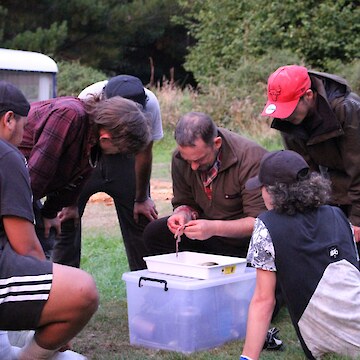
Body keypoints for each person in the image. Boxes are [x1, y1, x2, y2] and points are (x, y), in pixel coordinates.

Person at [0, 81, 99, 359]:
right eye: (25, 123)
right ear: (9, 119)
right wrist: (53, 311)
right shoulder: (8, 155)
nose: (27, 132)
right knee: (82, 290)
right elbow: (26, 247)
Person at [241, 150, 360, 360]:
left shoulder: (266, 226)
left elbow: (263, 300)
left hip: (331, 342)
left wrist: (247, 358)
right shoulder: (338, 215)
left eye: (262, 187)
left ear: (273, 191)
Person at [18, 89, 151, 264]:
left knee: (44, 240)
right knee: (29, 250)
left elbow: (74, 179)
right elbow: (38, 174)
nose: (117, 155)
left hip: (22, 185)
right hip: (14, 182)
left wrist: (50, 212)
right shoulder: (70, 115)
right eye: (120, 150)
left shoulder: (92, 139)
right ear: (106, 138)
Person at [57, 75, 163, 270]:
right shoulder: (88, 97)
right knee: (65, 219)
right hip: (89, 154)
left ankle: (146, 284)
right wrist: (70, 201)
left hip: (127, 155)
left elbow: (144, 152)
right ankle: (64, 285)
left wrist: (141, 198)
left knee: (140, 218)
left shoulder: (151, 103)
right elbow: (75, 152)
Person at [144, 111, 267, 258]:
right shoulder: (180, 157)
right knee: (154, 233)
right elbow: (185, 201)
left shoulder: (251, 159)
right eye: (188, 161)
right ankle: (184, 278)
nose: (194, 167)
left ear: (217, 143)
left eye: (199, 159)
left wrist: (214, 227)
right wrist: (183, 213)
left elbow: (259, 223)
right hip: (207, 232)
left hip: (245, 241)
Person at [261, 64, 360, 244]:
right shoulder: (287, 119)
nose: (284, 117)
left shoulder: (347, 109)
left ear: (308, 95)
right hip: (335, 191)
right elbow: (304, 175)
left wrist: (356, 221)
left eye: (289, 109)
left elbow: (358, 171)